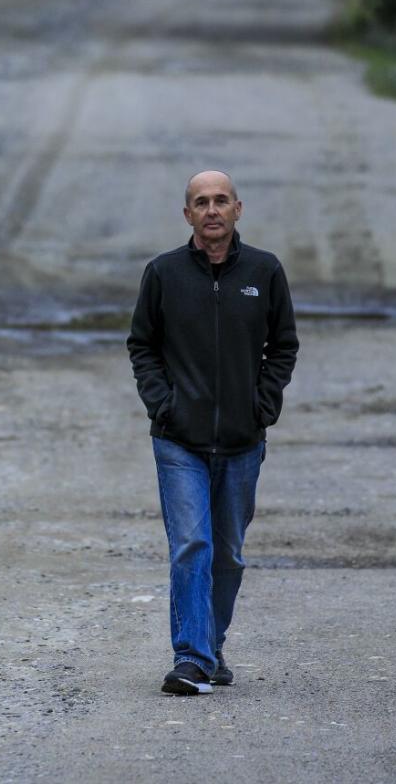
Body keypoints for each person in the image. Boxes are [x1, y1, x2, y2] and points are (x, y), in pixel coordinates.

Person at [126, 170, 299, 696]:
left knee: (228, 554)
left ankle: (211, 647)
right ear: (187, 215)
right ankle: (191, 658)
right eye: (201, 202)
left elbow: (284, 347)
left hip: (243, 442)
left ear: (238, 209)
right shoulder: (163, 273)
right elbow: (142, 346)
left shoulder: (264, 272)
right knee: (191, 545)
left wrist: (261, 405)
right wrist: (165, 405)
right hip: (179, 439)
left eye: (221, 200)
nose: (212, 210)